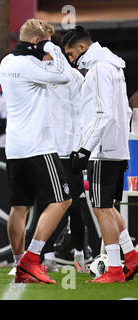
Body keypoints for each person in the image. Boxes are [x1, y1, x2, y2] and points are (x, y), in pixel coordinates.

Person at [0, 18, 72, 284]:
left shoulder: (6, 62)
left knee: (19, 207)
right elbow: (63, 76)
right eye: (44, 43)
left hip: (15, 147)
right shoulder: (31, 64)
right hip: (39, 146)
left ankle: (18, 263)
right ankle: (32, 258)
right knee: (63, 200)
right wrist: (55, 49)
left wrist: (45, 49)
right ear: (37, 42)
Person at [63, 26, 138, 283]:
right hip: (115, 146)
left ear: (82, 48)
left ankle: (115, 269)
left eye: (71, 54)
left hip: (101, 149)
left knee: (101, 208)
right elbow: (125, 112)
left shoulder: (97, 69)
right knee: (107, 206)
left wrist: (84, 148)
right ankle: (130, 256)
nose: (72, 61)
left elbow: (101, 113)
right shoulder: (114, 67)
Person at [38, 46, 89, 274]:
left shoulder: (75, 76)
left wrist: (82, 147)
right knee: (45, 205)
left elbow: (85, 112)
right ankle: (48, 257)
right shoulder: (38, 73)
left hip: (70, 152)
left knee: (75, 206)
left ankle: (79, 253)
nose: (47, 59)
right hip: (46, 150)